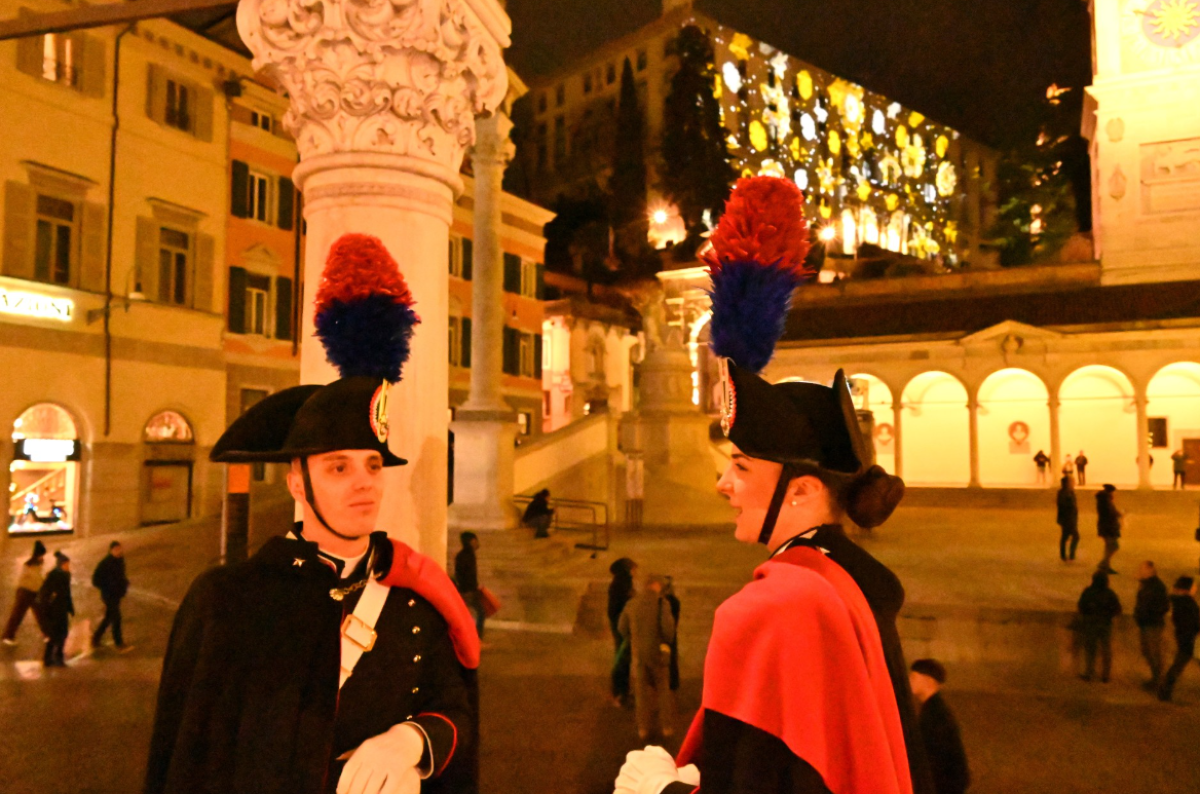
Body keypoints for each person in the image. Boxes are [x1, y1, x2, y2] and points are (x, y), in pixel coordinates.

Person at [145, 234, 478, 794]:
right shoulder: (228, 603)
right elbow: (188, 762)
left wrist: (414, 741)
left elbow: (455, 713)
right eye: (338, 468)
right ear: (297, 480)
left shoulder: (413, 602)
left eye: (372, 465)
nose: (364, 485)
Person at [616, 178, 912, 794]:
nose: (723, 483)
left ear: (802, 492)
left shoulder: (769, 610)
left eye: (742, 467)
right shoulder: (849, 578)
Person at [619, 574, 677, 741]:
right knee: (663, 690)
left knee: (641, 694)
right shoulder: (662, 604)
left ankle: (643, 729)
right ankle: (666, 727)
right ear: (656, 585)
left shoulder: (632, 604)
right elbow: (668, 630)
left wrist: (634, 639)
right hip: (657, 654)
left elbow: (622, 628)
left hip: (640, 656)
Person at [909, 660, 970, 794]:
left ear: (928, 681)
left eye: (913, 677)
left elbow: (935, 757)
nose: (909, 681)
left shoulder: (935, 713)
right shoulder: (934, 709)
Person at [1157, 576, 1199, 701]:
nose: (1196, 588)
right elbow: (1194, 622)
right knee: (1179, 664)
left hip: (1183, 636)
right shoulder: (1188, 603)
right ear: (1188, 589)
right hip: (1188, 638)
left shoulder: (1178, 601)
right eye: (1194, 586)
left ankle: (1165, 689)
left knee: (1179, 663)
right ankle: (1165, 690)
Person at [1076, 570, 1122, 682]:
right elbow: (1117, 609)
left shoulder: (1088, 592)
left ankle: (1089, 672)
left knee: (1090, 649)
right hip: (1105, 624)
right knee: (1106, 649)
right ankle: (1106, 675)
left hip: (1091, 624)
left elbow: (1081, 606)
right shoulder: (1110, 593)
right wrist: (1108, 615)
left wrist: (1087, 615)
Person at [2, 540, 48, 645]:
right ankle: (8, 636)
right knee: (19, 614)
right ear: (38, 555)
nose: (43, 557)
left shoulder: (34, 564)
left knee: (40, 614)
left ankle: (47, 635)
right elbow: (37, 579)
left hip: (31, 592)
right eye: (41, 555)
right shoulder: (30, 565)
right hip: (26, 592)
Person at [1134, 561, 1170, 691]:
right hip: (1145, 623)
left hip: (1153, 625)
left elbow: (1165, 606)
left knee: (1154, 653)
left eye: (1142, 569)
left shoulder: (1158, 586)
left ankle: (1159, 681)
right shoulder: (1146, 585)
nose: (1140, 571)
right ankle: (1156, 678)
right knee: (1146, 651)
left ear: (1150, 570)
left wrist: (1150, 614)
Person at [91, 540, 131, 651]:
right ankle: (119, 643)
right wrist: (108, 586)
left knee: (108, 617)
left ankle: (95, 638)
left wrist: (124, 583)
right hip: (109, 595)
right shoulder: (105, 563)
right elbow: (95, 580)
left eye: (120, 549)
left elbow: (120, 576)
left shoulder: (120, 561)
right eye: (116, 549)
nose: (118, 551)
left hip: (117, 595)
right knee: (116, 618)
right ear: (111, 550)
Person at [37, 550, 74, 667]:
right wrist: (48, 607)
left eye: (68, 564)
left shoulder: (66, 575)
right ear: (60, 564)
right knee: (55, 635)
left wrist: (70, 607)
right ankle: (53, 658)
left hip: (62, 610)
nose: (68, 566)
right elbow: (44, 594)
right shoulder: (53, 576)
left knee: (61, 634)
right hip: (54, 611)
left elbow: (67, 593)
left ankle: (52, 658)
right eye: (65, 564)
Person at [608, 558, 637, 707]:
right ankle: (620, 693)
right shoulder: (623, 584)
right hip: (622, 627)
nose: (635, 572)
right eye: (633, 568)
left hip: (619, 626)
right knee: (622, 659)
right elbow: (628, 604)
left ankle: (622, 691)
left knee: (624, 658)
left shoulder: (619, 583)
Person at [455, 532, 485, 638]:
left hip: (464, 589)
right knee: (480, 613)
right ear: (472, 541)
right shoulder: (469, 555)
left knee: (472, 613)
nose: (477, 543)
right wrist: (474, 588)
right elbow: (469, 575)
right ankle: (476, 638)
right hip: (469, 591)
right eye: (475, 540)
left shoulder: (461, 555)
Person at [1095, 484, 1123, 574]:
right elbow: (1110, 513)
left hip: (1106, 527)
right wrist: (1119, 514)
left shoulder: (1103, 501)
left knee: (1109, 546)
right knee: (1113, 546)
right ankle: (1104, 564)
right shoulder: (1106, 502)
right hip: (1108, 528)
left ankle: (1105, 564)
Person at [662, 577, 681, 694]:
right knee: (672, 658)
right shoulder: (674, 600)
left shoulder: (663, 601)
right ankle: (673, 682)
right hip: (671, 632)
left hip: (665, 633)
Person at [1056, 477, 1079, 562]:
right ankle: (1070, 556)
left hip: (1070, 518)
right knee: (1075, 536)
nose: (1074, 483)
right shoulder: (1064, 493)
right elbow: (1063, 506)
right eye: (1072, 482)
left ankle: (1064, 555)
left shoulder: (1069, 492)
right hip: (1068, 519)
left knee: (1065, 536)